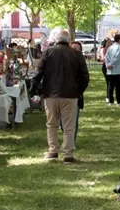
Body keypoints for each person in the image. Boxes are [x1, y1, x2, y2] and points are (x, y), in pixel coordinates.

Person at [38, 33, 89, 163]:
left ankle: (53, 150)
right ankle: (68, 154)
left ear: (56, 40)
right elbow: (85, 75)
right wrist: (78, 91)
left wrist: (37, 90)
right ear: (69, 40)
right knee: (69, 126)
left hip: (51, 94)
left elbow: (39, 72)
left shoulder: (48, 52)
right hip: (70, 95)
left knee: (51, 124)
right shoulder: (76, 54)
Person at [69, 40, 86, 143]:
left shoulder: (81, 62)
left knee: (74, 119)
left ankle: (72, 141)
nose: (74, 51)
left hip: (76, 94)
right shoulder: (64, 60)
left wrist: (79, 90)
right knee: (62, 120)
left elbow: (85, 77)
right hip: (62, 94)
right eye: (72, 48)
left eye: (77, 49)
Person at [104, 34, 120, 106]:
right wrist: (112, 65)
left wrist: (107, 64)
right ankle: (119, 102)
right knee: (118, 86)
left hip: (110, 70)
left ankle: (111, 101)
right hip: (117, 69)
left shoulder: (110, 47)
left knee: (111, 86)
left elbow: (106, 57)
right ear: (119, 40)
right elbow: (118, 57)